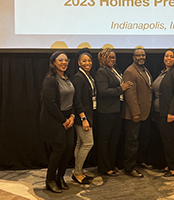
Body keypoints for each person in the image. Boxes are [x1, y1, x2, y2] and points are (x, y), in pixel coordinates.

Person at [40, 51, 75, 193]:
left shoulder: (68, 78)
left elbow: (72, 99)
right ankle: (50, 180)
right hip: (54, 118)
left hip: (68, 117)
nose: (64, 62)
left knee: (68, 148)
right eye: (60, 60)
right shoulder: (50, 80)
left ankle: (60, 177)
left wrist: (72, 116)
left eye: (66, 60)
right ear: (53, 62)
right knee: (59, 149)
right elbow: (50, 104)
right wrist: (63, 120)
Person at [95, 48, 132, 177]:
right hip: (106, 111)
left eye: (114, 57)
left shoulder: (115, 71)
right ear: (103, 59)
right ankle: (104, 167)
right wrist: (120, 89)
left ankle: (111, 164)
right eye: (109, 57)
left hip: (116, 110)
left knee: (114, 139)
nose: (112, 60)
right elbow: (103, 91)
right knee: (105, 140)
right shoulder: (101, 72)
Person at [123, 48, 153, 178]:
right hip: (135, 114)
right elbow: (130, 95)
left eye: (143, 55)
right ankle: (129, 167)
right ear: (133, 57)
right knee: (132, 141)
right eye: (138, 55)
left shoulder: (144, 69)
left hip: (145, 113)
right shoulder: (130, 71)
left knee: (142, 139)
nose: (141, 57)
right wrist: (135, 113)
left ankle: (139, 161)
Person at [71, 48, 96, 184]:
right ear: (79, 63)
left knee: (80, 143)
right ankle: (78, 172)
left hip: (88, 114)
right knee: (88, 143)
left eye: (89, 60)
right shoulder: (78, 78)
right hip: (82, 117)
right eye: (84, 61)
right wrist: (83, 118)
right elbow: (77, 101)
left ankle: (77, 171)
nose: (87, 63)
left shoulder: (88, 76)